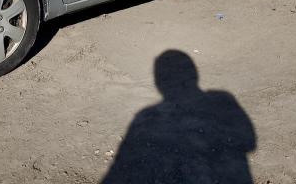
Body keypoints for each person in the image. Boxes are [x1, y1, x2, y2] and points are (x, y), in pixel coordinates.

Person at [103, 50, 256, 183]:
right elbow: (249, 142)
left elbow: (122, 166)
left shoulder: (146, 116)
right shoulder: (222, 99)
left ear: (158, 82)